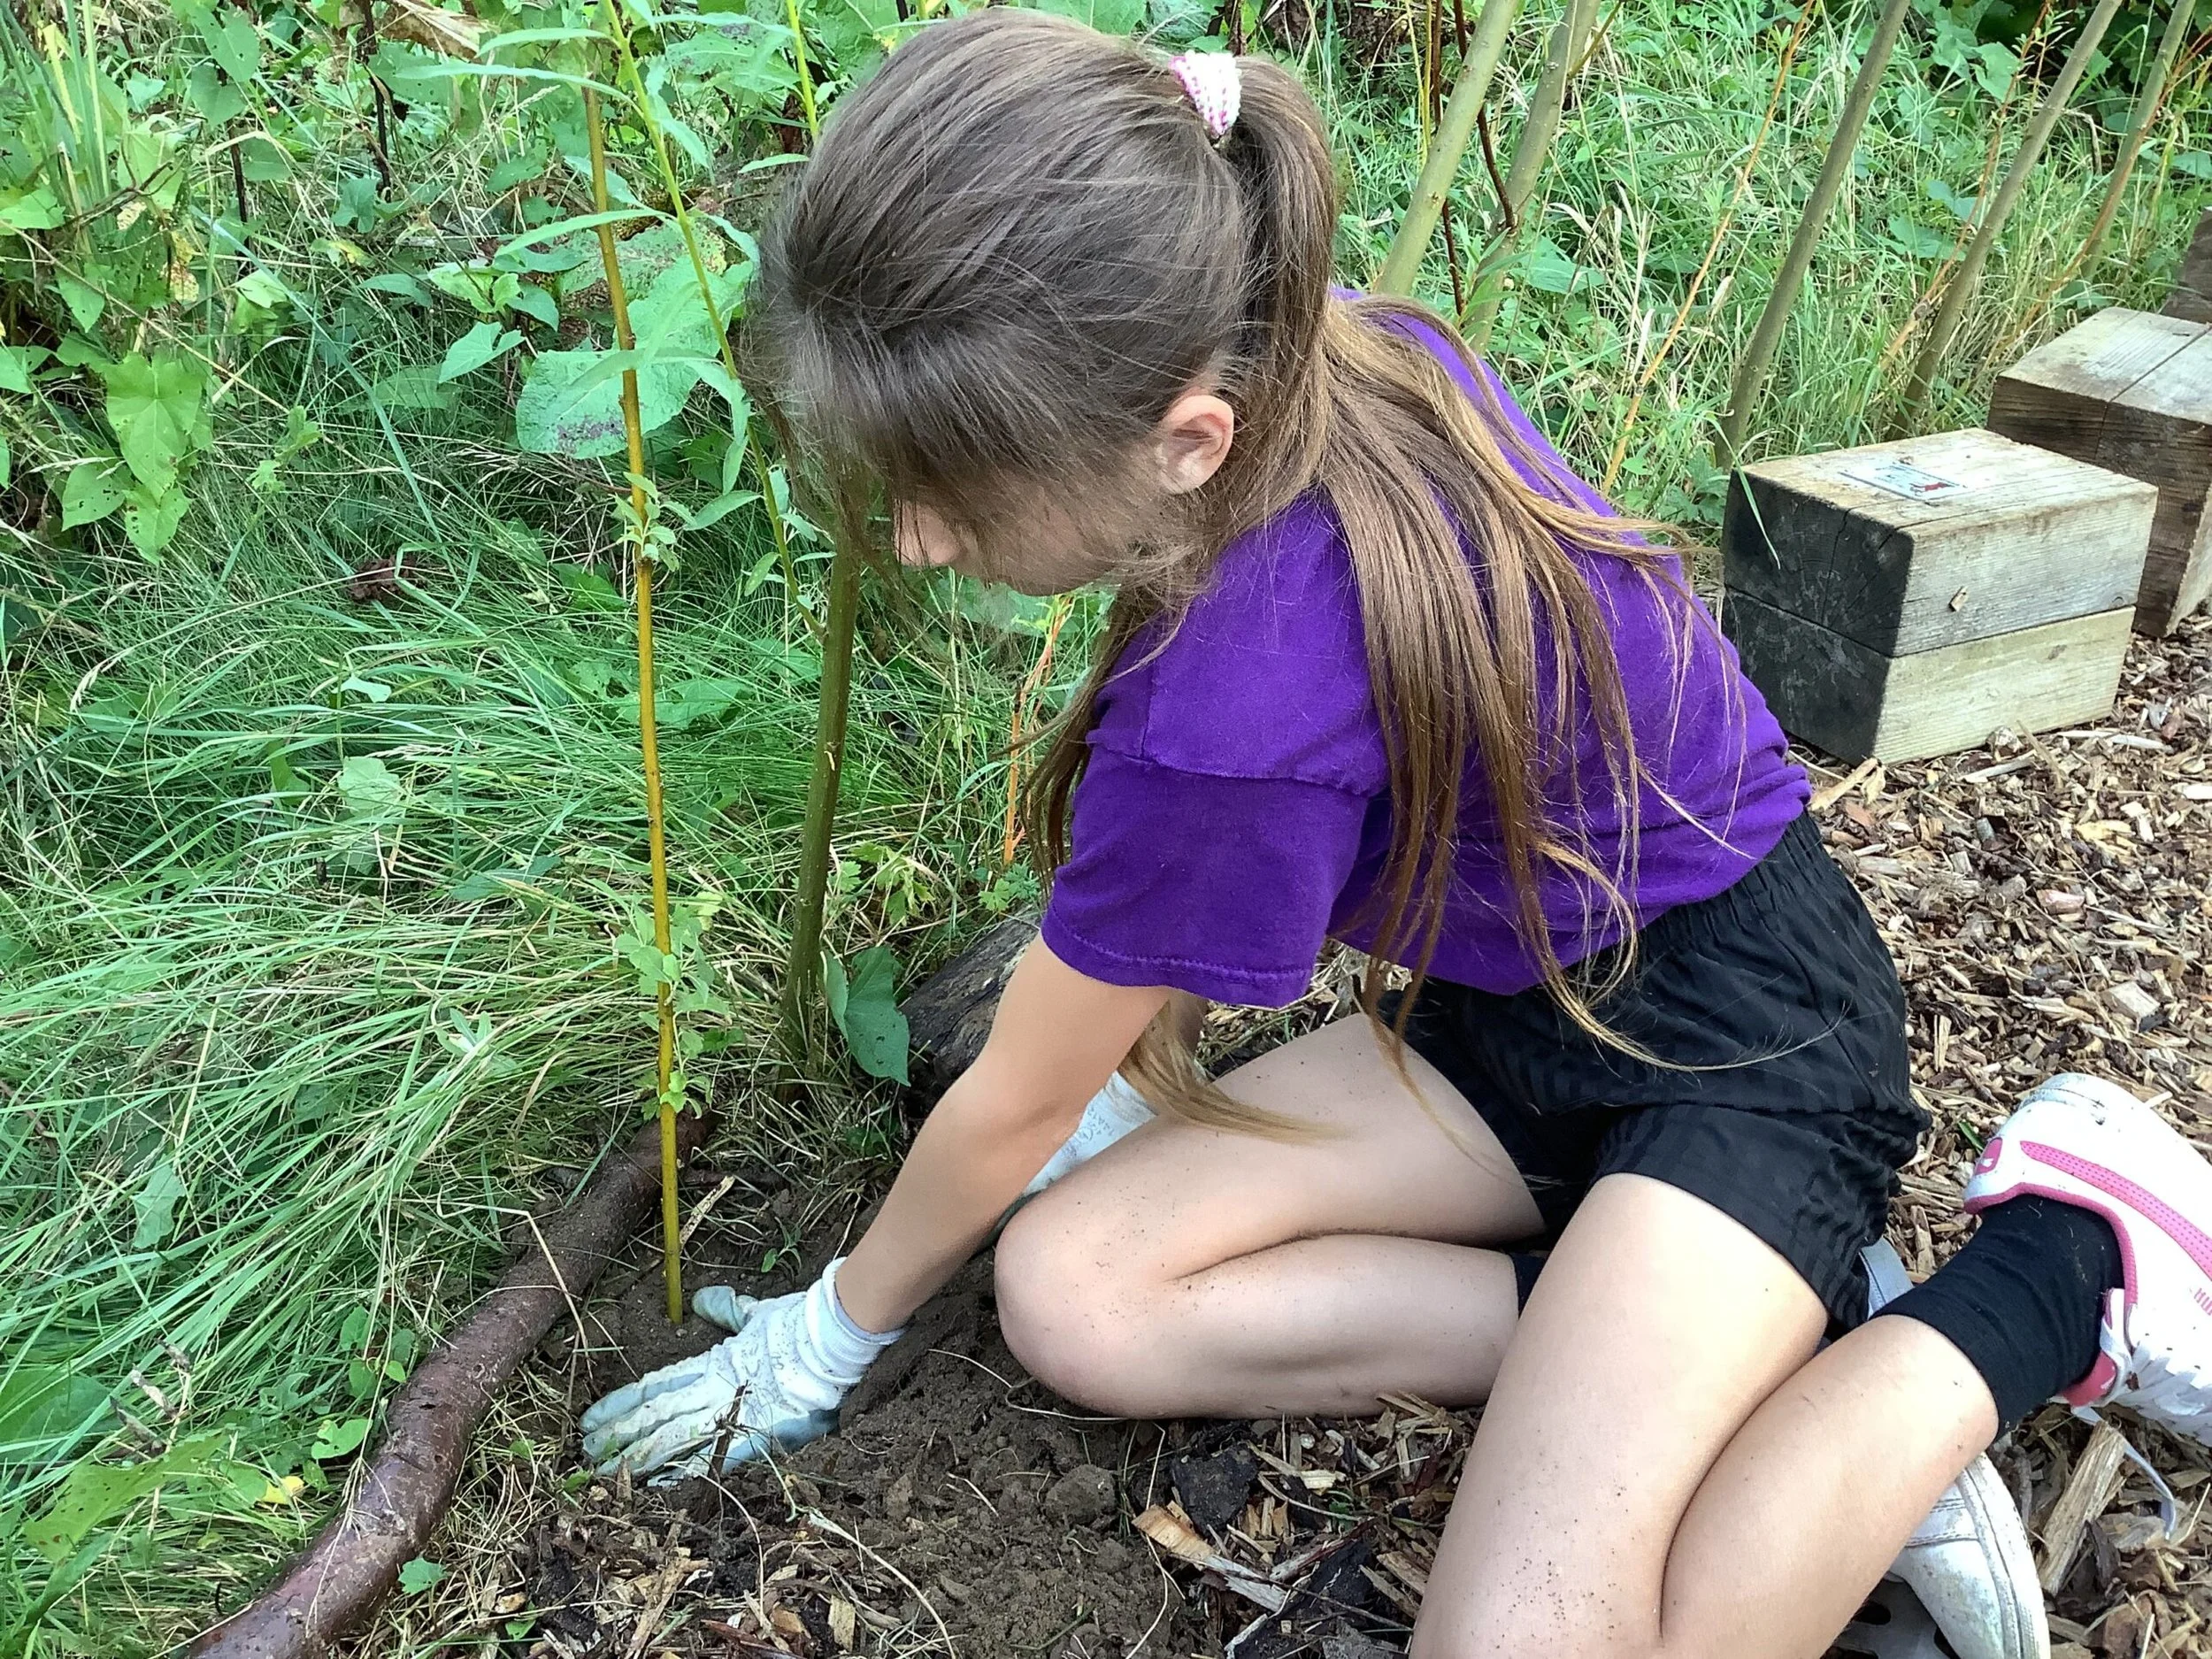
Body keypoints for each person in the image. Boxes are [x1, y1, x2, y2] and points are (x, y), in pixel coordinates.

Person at [580, 15, 2212, 1658]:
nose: (921, 540)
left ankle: (2061, 1266)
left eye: (952, 490)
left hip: (1747, 1040)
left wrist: (823, 1337)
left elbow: (1017, 1096)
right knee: (1077, 1294)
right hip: (1516, 1000)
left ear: (1185, 442)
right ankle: (1757, 1338)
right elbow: (1143, 975)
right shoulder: (1327, 343)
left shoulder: (1231, 715)